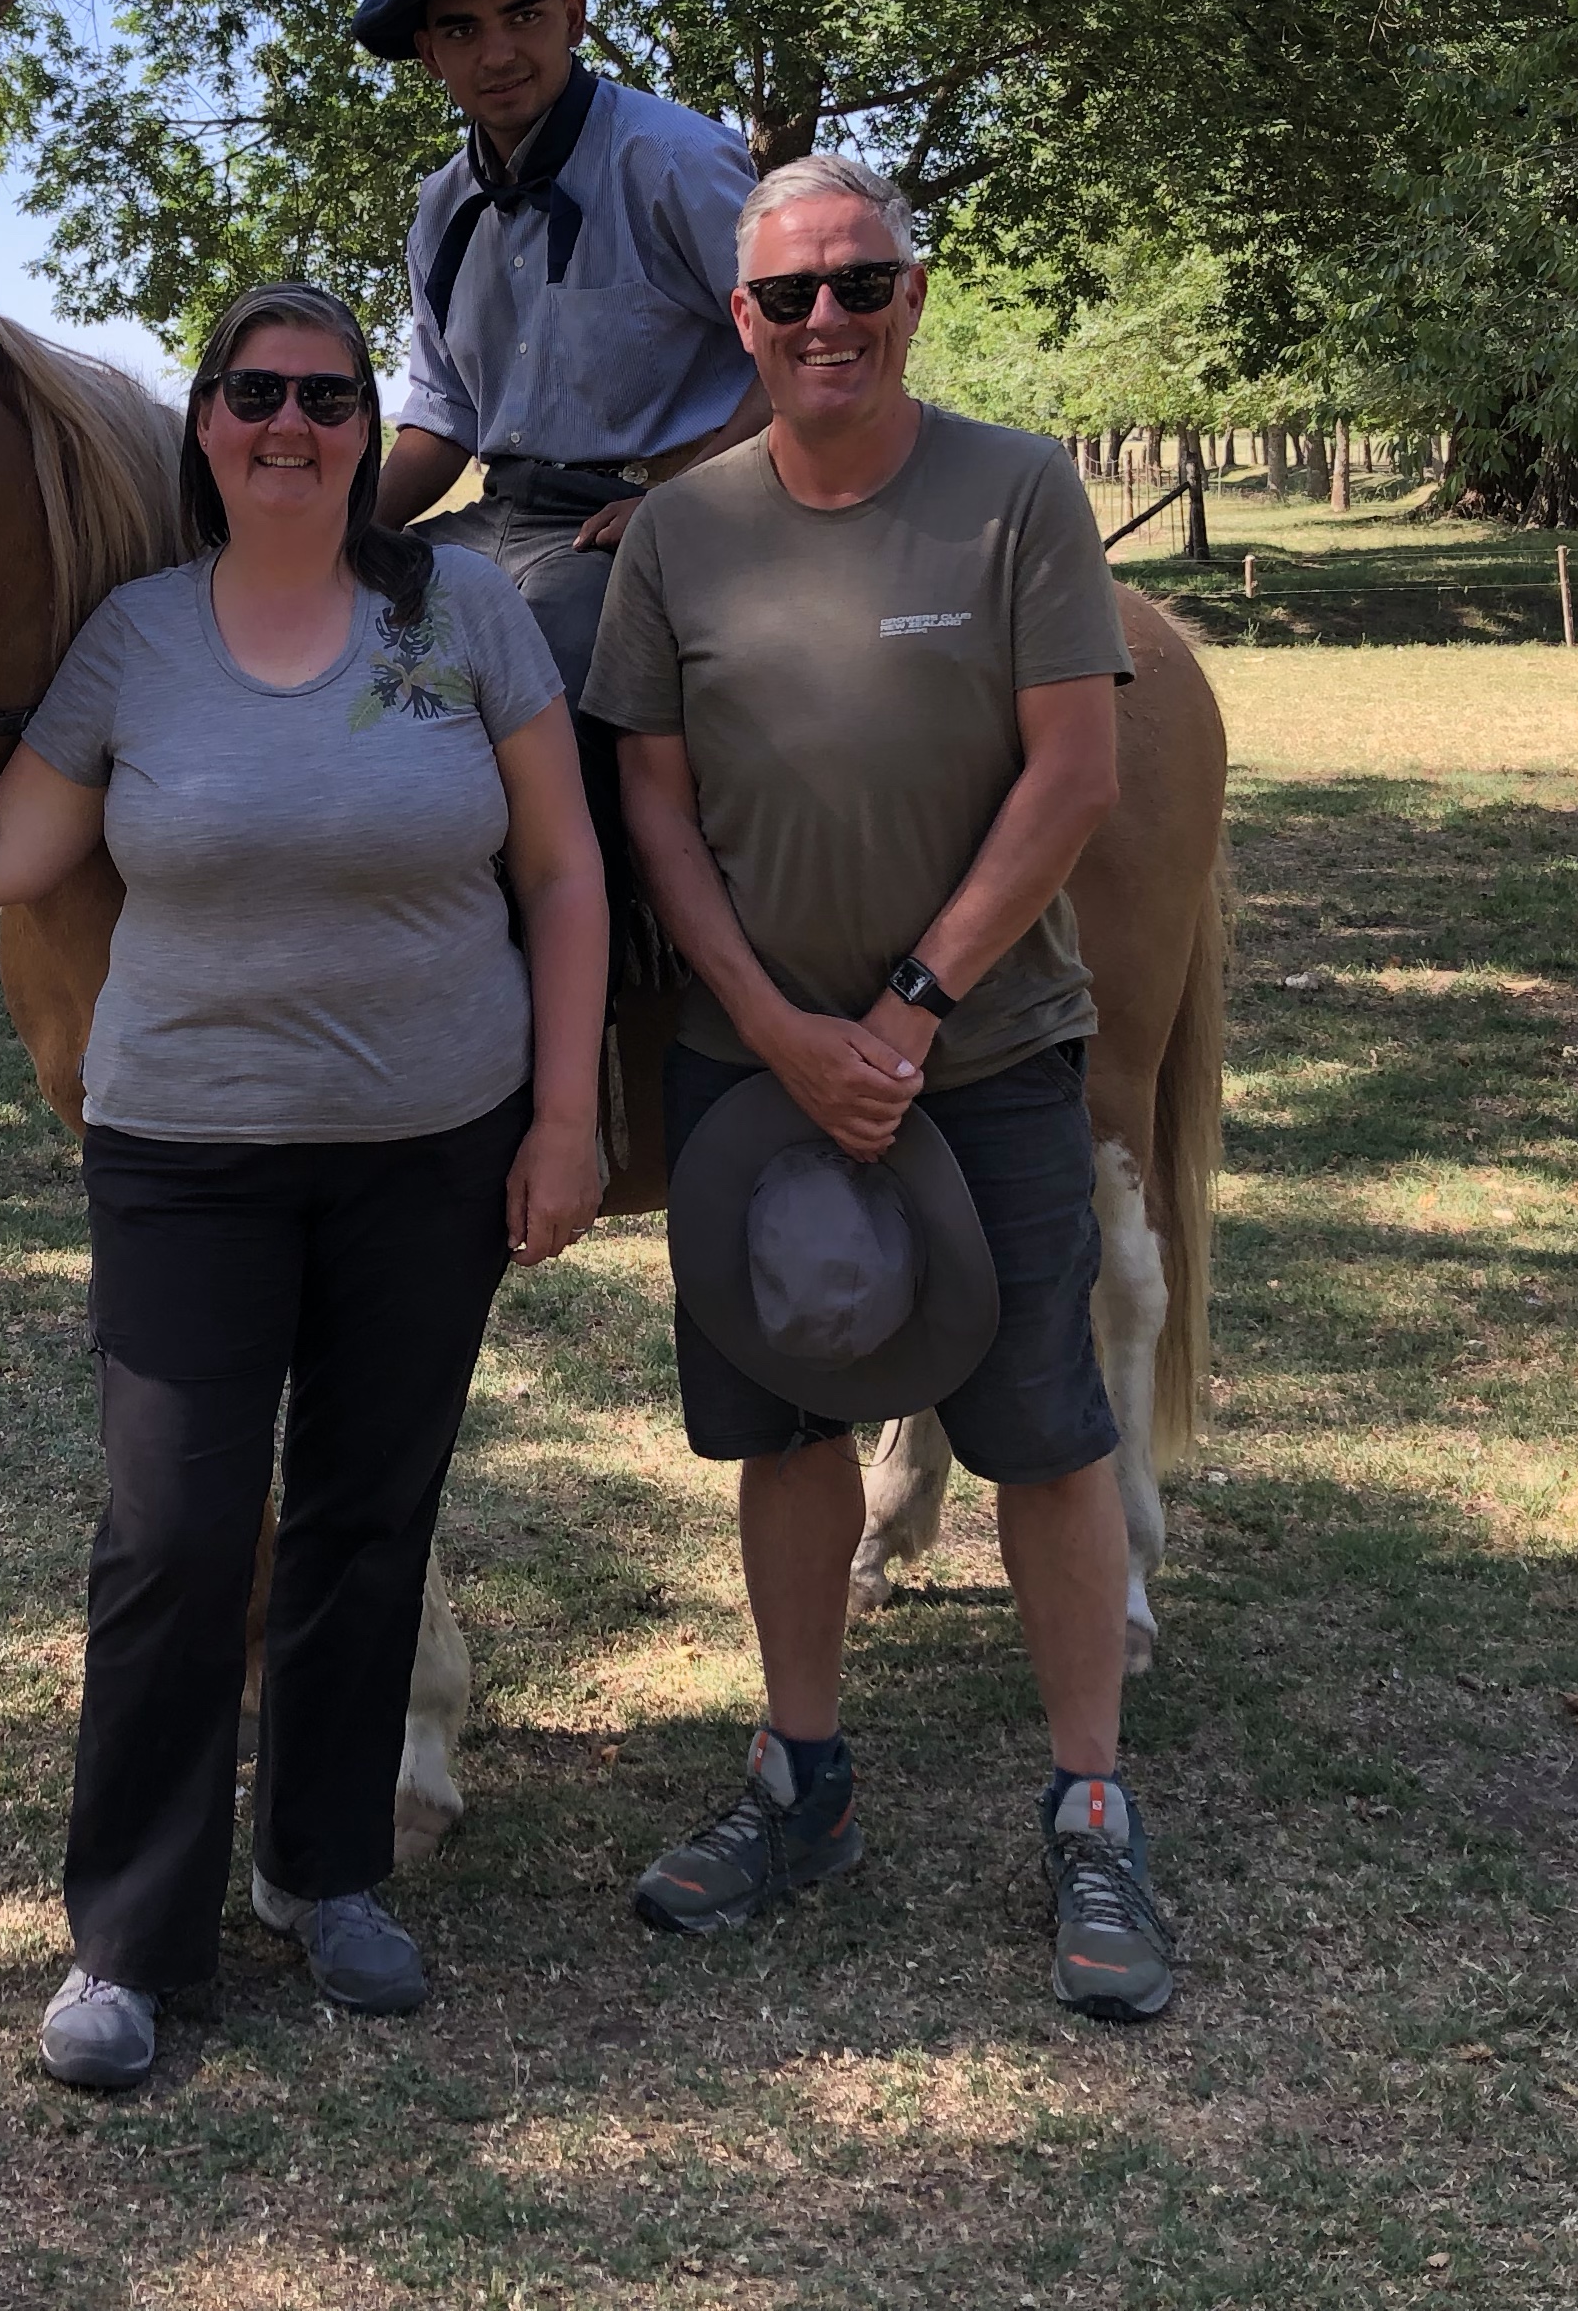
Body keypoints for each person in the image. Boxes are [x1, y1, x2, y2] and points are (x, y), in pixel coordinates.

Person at [0, 282, 610, 2091]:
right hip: (186, 1153)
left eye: (326, 395)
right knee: (168, 1536)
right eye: (253, 393)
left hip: (428, 1142)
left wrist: (561, 1113)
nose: (289, 424)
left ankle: (325, 1869)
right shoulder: (137, 639)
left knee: (365, 1513)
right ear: (206, 424)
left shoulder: (462, 609)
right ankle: (130, 1942)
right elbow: (12, 847)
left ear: (365, 427)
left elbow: (559, 871)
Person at [581, 152, 1180, 2024]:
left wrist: (909, 1009)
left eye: (858, 282)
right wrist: (770, 1024)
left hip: (983, 1051)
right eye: (785, 295)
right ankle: (800, 1778)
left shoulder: (1013, 490)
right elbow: (652, 803)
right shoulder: (680, 531)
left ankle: (1089, 1800)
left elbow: (1073, 773)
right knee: (784, 1422)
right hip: (750, 1067)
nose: (823, 318)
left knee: (1044, 1427)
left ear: (913, 294)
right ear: (738, 320)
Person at [350, 0, 768, 716]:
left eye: (524, 14)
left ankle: (585, 850)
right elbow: (444, 420)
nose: (497, 53)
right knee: (341, 639)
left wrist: (678, 497)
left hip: (662, 506)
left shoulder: (674, 161)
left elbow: (794, 351)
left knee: (547, 678)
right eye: (463, 30)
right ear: (431, 55)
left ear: (574, 18)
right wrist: (332, 542)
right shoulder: (439, 210)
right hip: (499, 515)